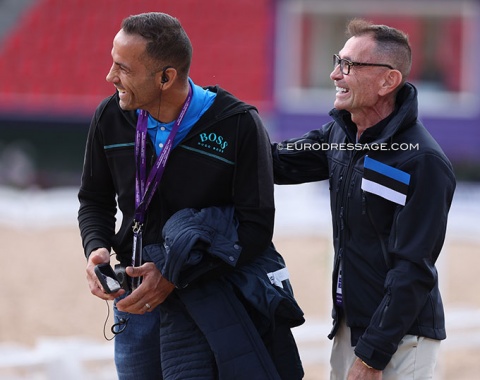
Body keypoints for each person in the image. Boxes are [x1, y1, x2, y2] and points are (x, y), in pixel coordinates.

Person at [78, 12, 304, 380]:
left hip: (207, 294)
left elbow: (256, 227)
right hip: (134, 298)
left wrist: (172, 275)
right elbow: (94, 200)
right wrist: (96, 248)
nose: (110, 77)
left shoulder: (239, 124)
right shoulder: (110, 115)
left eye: (123, 68)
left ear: (166, 77)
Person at [272, 18, 456, 379]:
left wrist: (372, 355)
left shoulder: (422, 161)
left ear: (388, 81)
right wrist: (216, 124)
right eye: (337, 61)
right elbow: (273, 163)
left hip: (401, 341)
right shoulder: (340, 135)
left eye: (349, 65)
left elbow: (413, 271)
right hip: (347, 329)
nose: (335, 75)